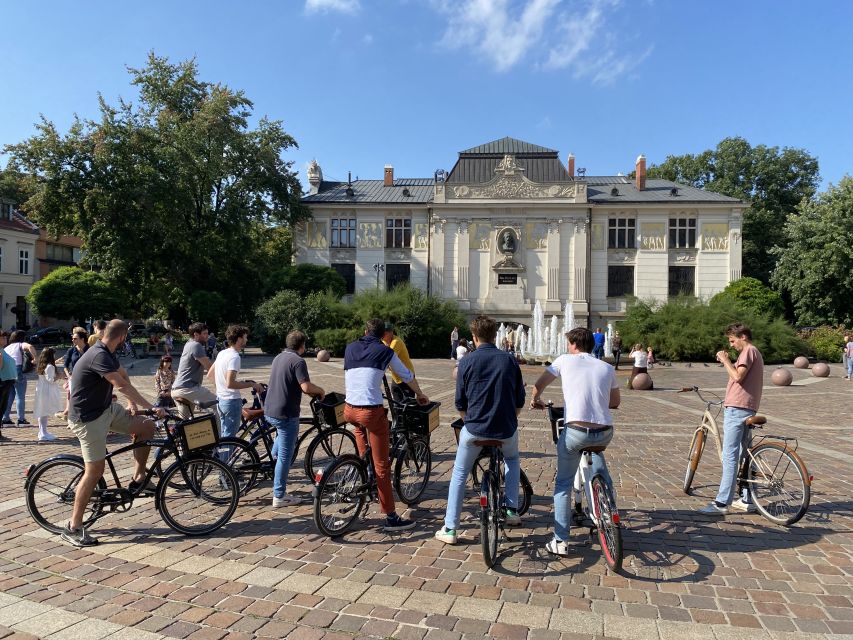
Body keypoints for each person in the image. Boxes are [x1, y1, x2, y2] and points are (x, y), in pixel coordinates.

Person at [64, 319, 164, 546]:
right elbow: (120, 384)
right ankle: (73, 527)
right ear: (122, 337)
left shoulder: (107, 352)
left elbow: (122, 376)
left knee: (147, 426)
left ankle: (138, 478)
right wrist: (151, 406)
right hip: (87, 418)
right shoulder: (98, 355)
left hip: (106, 409)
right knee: (95, 471)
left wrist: (132, 403)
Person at [530, 327, 620, 556]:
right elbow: (615, 402)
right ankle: (608, 507)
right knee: (597, 457)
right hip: (604, 432)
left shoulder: (564, 360)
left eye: (568, 343)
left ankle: (561, 541)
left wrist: (535, 399)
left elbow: (539, 385)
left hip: (576, 431)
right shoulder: (607, 367)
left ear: (574, 344)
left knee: (563, 484)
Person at [436, 315, 526, 545]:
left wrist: (470, 422)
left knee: (459, 473)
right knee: (512, 460)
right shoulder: (509, 360)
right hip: (505, 429)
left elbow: (459, 403)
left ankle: (450, 528)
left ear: (474, 337)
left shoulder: (466, 362)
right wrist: (509, 420)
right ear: (495, 336)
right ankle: (512, 509)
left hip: (474, 428)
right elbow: (519, 400)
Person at [344, 318, 429, 531]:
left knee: (364, 448)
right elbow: (406, 375)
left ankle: (364, 472)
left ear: (365, 331)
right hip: (370, 413)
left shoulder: (350, 348)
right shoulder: (385, 351)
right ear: (384, 335)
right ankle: (391, 516)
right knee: (382, 465)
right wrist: (419, 394)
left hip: (349, 409)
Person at [699, 323, 764, 515]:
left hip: (737, 408)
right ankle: (747, 498)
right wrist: (729, 362)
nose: (732, 345)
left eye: (732, 340)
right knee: (745, 454)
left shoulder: (748, 351)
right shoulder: (755, 353)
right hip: (747, 407)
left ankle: (721, 503)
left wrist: (725, 359)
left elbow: (737, 376)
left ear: (743, 336)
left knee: (730, 455)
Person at [266, 330, 325, 507]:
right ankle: (279, 495)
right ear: (302, 345)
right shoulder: (298, 361)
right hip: (286, 413)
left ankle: (274, 459)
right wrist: (320, 391)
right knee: (285, 456)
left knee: (280, 447)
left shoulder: (279, 357)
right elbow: (306, 387)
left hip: (270, 409)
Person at [208, 325, 263, 440]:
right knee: (230, 439)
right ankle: (227, 453)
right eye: (245, 337)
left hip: (220, 400)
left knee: (224, 436)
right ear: (239, 339)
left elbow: (210, 375)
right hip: (231, 401)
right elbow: (230, 383)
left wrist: (221, 388)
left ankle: (222, 452)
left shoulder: (222, 353)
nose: (246, 340)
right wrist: (252, 384)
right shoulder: (234, 357)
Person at [170, 322, 216, 420]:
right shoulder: (196, 345)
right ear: (196, 334)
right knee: (221, 404)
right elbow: (210, 368)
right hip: (188, 389)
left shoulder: (189, 344)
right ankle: (221, 430)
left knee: (185, 423)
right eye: (204, 333)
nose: (207, 336)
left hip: (177, 389)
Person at [3, 330, 37, 425]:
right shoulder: (20, 344)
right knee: (20, 397)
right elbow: (30, 346)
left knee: (9, 397)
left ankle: (5, 419)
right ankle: (21, 419)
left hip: (8, 372)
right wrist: (35, 358)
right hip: (18, 370)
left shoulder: (7, 348)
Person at [34, 348, 65, 441]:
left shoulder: (42, 365)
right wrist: (60, 376)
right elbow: (51, 380)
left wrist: (57, 362)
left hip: (41, 389)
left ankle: (42, 431)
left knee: (41, 411)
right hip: (47, 391)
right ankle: (43, 433)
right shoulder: (50, 366)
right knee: (44, 412)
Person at [60, 327, 89, 419]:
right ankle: (72, 416)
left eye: (75, 338)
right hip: (73, 377)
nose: (72, 340)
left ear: (82, 339)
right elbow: (65, 365)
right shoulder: (71, 350)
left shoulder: (90, 350)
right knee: (73, 397)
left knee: (86, 396)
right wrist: (68, 376)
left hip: (87, 377)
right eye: (72, 338)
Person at [382, 326, 416, 402]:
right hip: (396, 377)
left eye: (384, 333)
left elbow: (388, 359)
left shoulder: (396, 342)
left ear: (391, 332)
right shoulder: (384, 341)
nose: (382, 336)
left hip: (406, 377)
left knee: (409, 403)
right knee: (397, 402)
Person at [0, 332, 17, 441]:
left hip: (7, 382)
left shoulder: (3, 350)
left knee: (2, 407)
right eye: (2, 337)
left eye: (6, 337)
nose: (5, 339)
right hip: (2, 382)